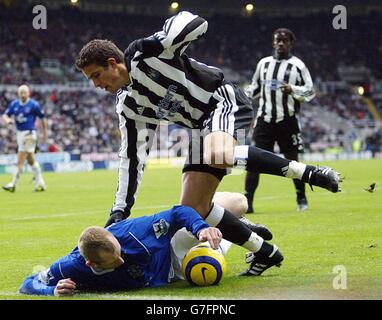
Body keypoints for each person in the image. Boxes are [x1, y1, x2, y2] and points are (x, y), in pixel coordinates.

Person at [75, 11, 341, 275]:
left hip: (224, 101)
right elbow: (132, 158)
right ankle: (265, 251)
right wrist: (120, 211)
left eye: (96, 75)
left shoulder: (144, 54)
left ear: (113, 63)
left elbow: (196, 22)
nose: (96, 85)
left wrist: (168, 38)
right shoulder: (128, 107)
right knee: (192, 211)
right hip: (200, 130)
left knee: (217, 153)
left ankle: (309, 173)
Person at [19, 192, 276, 296]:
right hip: (172, 275)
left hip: (173, 249)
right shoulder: (71, 267)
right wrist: (50, 291)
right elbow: (28, 284)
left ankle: (234, 224)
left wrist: (201, 228)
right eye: (114, 261)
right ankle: (236, 225)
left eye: (119, 253)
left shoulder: (131, 233)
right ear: (90, 263)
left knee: (239, 201)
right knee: (206, 270)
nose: (122, 260)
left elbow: (178, 212)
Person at [244, 28, 316, 213]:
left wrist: (292, 89)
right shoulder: (264, 64)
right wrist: (241, 97)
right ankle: (248, 202)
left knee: (293, 162)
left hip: (287, 121)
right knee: (253, 162)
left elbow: (310, 91)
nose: (281, 43)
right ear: (273, 43)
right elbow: (255, 87)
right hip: (265, 121)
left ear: (291, 44)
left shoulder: (298, 66)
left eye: (285, 41)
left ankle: (301, 197)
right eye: (278, 40)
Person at [2, 85, 48, 192]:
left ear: (28, 93)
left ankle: (13, 184)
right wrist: (8, 120)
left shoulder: (34, 105)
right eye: (21, 92)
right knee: (31, 160)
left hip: (29, 135)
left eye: (24, 92)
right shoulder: (14, 104)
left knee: (21, 159)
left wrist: (45, 133)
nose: (23, 94)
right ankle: (41, 184)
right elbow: (5, 115)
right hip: (19, 134)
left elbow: (43, 119)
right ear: (18, 94)